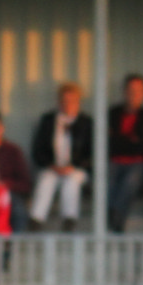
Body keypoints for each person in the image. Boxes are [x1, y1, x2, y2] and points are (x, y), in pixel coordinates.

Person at [30, 82, 93, 230]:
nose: (68, 105)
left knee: (71, 181)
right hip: (53, 167)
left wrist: (74, 166)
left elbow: (91, 153)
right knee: (46, 180)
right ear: (58, 102)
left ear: (78, 102)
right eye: (64, 101)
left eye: (72, 101)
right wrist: (52, 165)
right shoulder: (48, 121)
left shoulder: (86, 123)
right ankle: (36, 219)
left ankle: (69, 219)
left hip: (77, 168)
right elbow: (38, 150)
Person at [106, 74, 143, 232]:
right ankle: (114, 220)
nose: (134, 94)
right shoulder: (112, 114)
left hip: (139, 163)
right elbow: (108, 143)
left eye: (138, 91)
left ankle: (114, 218)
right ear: (124, 91)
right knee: (106, 180)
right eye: (131, 90)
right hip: (114, 161)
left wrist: (121, 140)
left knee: (130, 181)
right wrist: (131, 140)